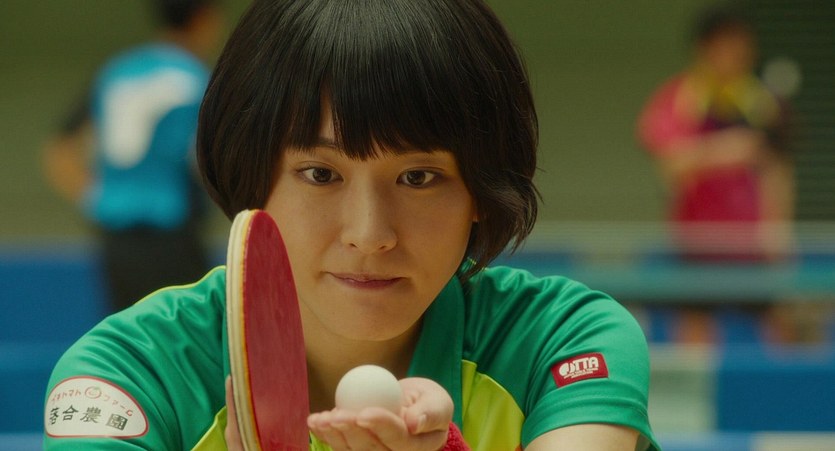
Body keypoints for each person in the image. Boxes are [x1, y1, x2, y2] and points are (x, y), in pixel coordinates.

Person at [44, 1, 659, 449]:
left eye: (418, 176)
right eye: (320, 173)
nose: (369, 233)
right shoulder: (129, 376)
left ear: (480, 189)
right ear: (253, 176)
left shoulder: (563, 342)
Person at [41, 0, 225, 313]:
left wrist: (97, 196)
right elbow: (205, 158)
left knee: (127, 332)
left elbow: (59, 149)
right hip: (173, 233)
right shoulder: (196, 79)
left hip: (115, 238)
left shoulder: (116, 71)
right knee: (186, 331)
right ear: (203, 20)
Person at [636, 4, 796, 343]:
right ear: (704, 48)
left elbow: (778, 172)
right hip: (697, 242)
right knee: (694, 331)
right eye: (726, 43)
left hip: (752, 244)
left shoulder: (763, 102)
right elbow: (670, 164)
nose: (736, 53)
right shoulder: (680, 97)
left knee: (778, 329)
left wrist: (778, 232)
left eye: (742, 43)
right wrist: (728, 150)